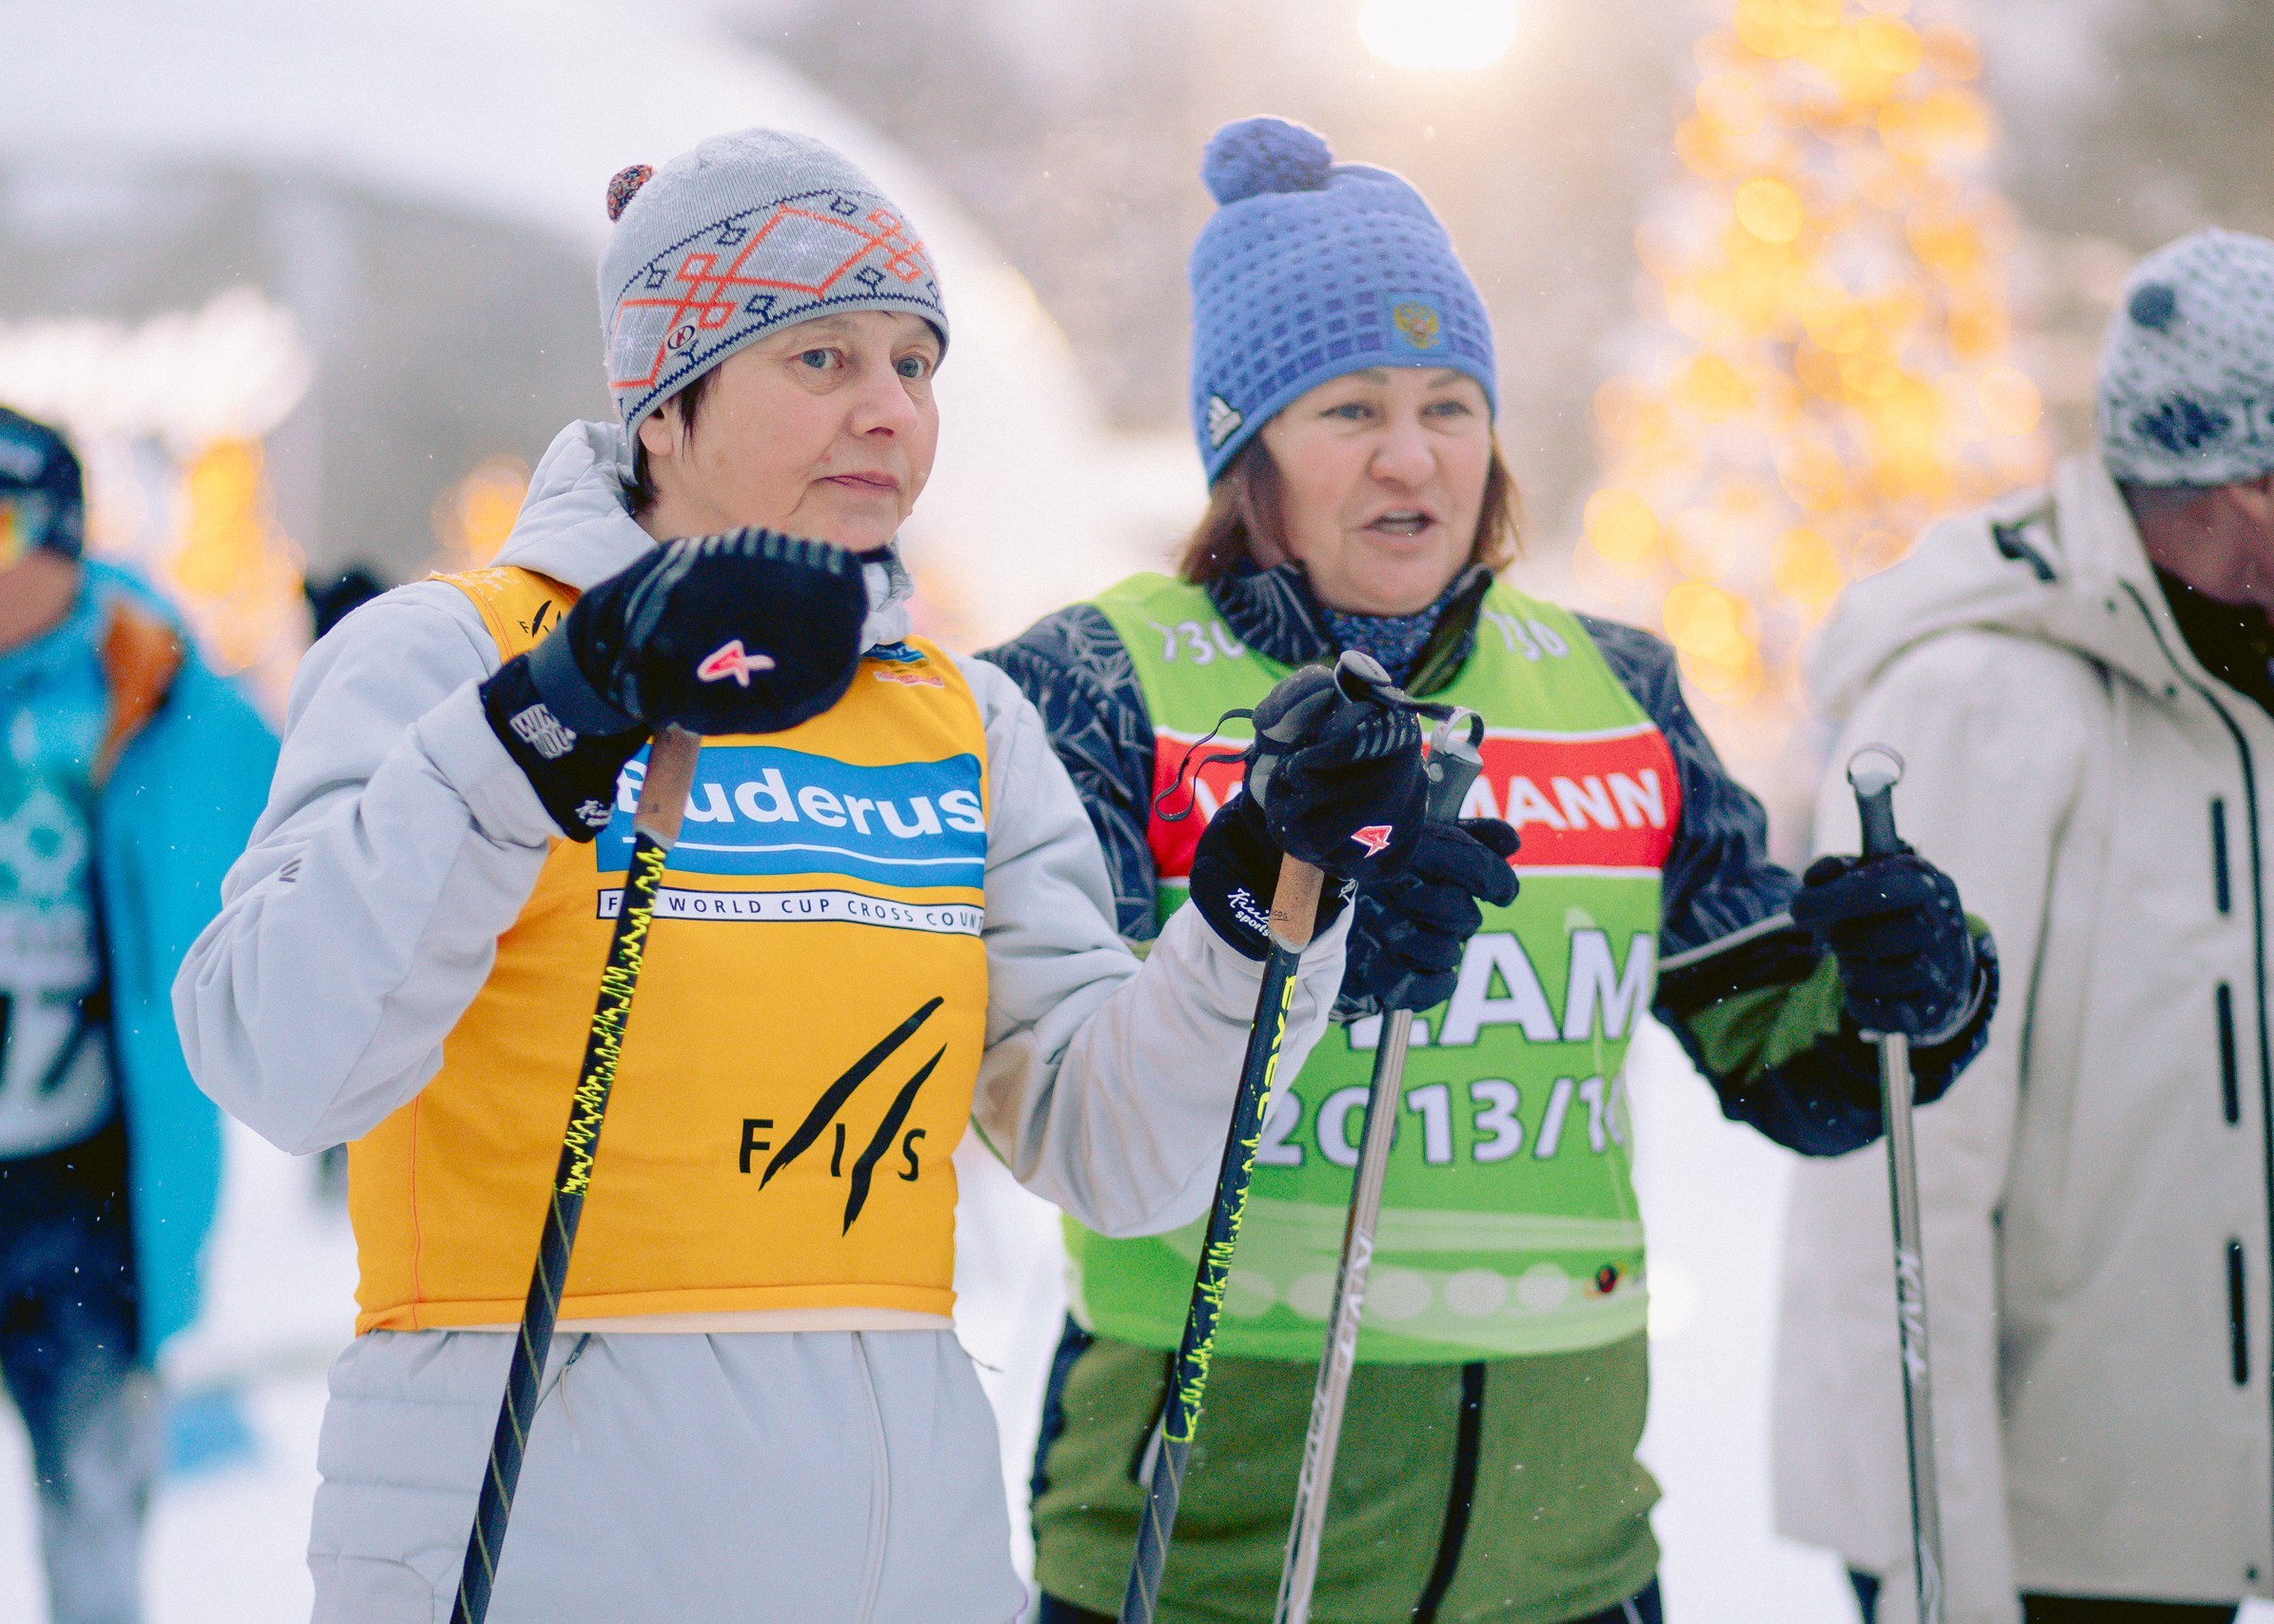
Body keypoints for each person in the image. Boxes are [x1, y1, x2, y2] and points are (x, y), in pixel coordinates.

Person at [171, 129, 1450, 1623]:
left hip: (904, 1548)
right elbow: (275, 1051)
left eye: (916, 364)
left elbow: (1117, 1144)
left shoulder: (960, 716)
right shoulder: (454, 648)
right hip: (536, 1535)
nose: (889, 410)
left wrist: (1259, 900)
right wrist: (546, 723)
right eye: (822, 360)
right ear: (665, 404)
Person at [983, 116, 1998, 1624]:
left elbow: (1785, 1059)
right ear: (1244, 448)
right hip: (1212, 1552)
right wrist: (1303, 928)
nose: (1416, 455)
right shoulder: (1100, 679)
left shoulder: (1615, 689)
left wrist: (1900, 987)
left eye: (1452, 403)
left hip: (1565, 1562)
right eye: (1349, 409)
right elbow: (1054, 1086)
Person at [1775, 229, 2274, 1624]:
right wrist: (1939, 1563)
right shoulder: (1982, 698)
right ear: (2237, 481)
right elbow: (1904, 1169)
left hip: (2211, 1512)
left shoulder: (2245, 685)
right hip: (2054, 1543)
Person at [0, 404, 277, 1624]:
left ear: (64, 541)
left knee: (97, 1544)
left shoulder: (171, 695)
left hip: (89, 1196)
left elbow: (335, 824)